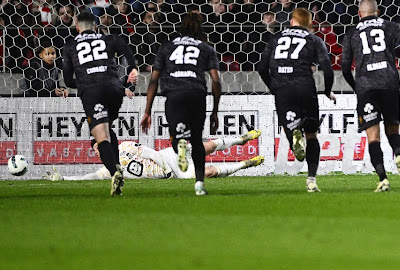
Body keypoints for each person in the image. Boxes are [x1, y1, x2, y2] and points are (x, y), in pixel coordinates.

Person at [140, 11, 221, 196]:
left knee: (178, 137)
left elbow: (154, 80)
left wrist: (147, 111)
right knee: (197, 140)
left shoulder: (167, 47)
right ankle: (199, 184)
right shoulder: (206, 48)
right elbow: (216, 81)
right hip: (196, 94)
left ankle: (180, 146)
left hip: (174, 94)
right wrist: (215, 111)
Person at [61, 11, 139, 196]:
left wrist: (81, 82)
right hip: (114, 88)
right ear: (95, 26)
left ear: (77, 27)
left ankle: (115, 172)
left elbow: (67, 79)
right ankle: (117, 165)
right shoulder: (108, 38)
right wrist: (133, 68)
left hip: (92, 91)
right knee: (108, 126)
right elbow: (125, 46)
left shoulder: (71, 45)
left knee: (101, 135)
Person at [258, 7, 334, 192]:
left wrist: (274, 88)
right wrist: (327, 90)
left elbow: (261, 68)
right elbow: (328, 69)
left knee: (290, 126)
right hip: (305, 87)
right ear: (310, 24)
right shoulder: (314, 39)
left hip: (283, 88)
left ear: (291, 21)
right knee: (312, 134)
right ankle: (311, 179)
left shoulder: (276, 38)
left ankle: (293, 134)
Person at [340, 0, 400, 192]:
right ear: (377, 11)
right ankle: (398, 155)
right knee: (393, 131)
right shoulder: (389, 26)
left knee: (373, 137)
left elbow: (345, 67)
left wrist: (357, 88)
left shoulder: (353, 32)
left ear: (359, 13)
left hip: (367, 86)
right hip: (389, 82)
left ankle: (383, 179)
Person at [43, 132, 263, 181]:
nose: (103, 150)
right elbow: (90, 177)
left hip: (166, 159)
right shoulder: (109, 170)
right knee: (210, 172)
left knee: (203, 147)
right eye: (99, 148)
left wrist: (163, 165)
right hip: (172, 174)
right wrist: (64, 179)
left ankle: (241, 139)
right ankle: (245, 164)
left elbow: (148, 152)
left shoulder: (125, 146)